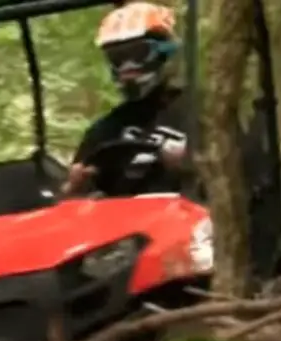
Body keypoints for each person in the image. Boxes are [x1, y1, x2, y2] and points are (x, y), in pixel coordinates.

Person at [62, 1, 198, 197]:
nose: (127, 67)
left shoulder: (204, 111)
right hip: (126, 222)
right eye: (117, 59)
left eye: (138, 54)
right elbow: (71, 200)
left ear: (166, 52)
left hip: (196, 217)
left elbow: (241, 169)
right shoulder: (105, 130)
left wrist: (190, 164)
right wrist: (76, 187)